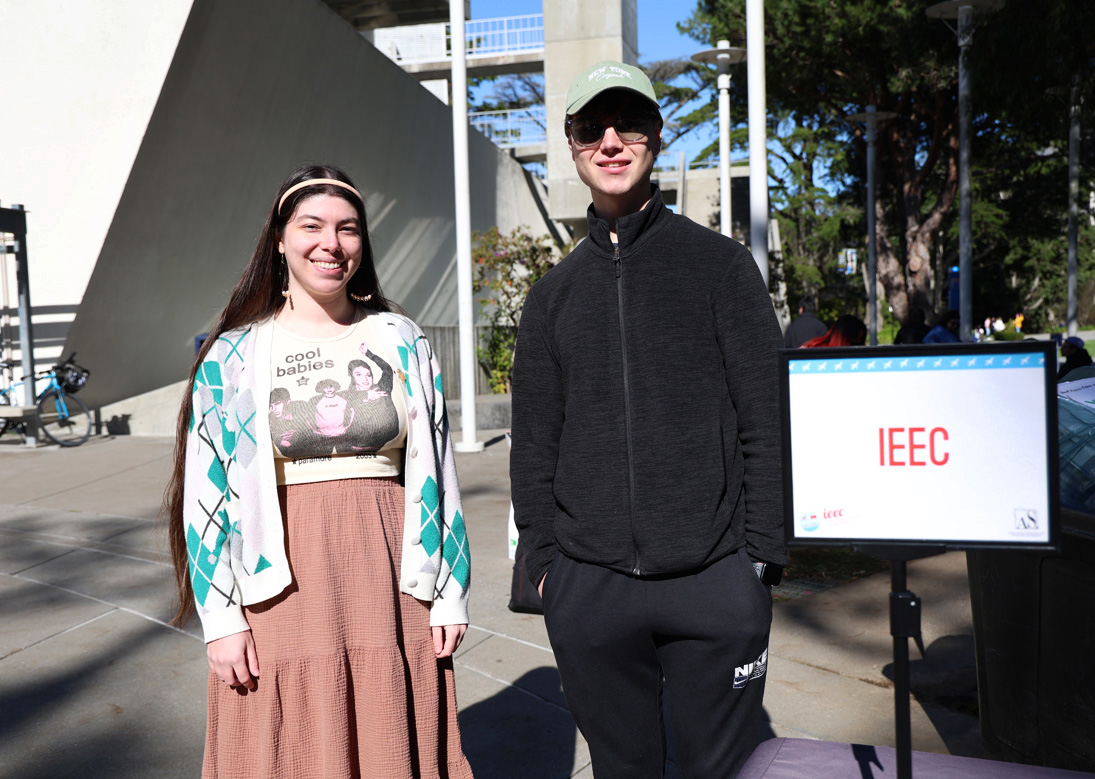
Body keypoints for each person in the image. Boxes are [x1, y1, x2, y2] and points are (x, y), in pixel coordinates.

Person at [511, 61, 786, 779]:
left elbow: (766, 422)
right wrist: (546, 571)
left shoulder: (720, 268)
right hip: (589, 588)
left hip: (712, 581)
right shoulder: (550, 299)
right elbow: (533, 447)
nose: (609, 140)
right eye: (588, 127)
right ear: (570, 145)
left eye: (626, 122)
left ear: (654, 136)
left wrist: (755, 564)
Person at [163, 165, 473, 779]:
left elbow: (437, 466)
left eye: (348, 229)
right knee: (292, 743)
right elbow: (206, 493)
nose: (331, 243)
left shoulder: (402, 338)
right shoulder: (231, 355)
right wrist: (220, 620)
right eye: (312, 226)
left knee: (389, 735)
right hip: (278, 585)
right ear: (279, 239)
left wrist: (450, 589)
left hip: (391, 575)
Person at [800, 314, 867, 348]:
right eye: (854, 341)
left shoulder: (812, 346)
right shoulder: (814, 348)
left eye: (859, 341)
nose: (857, 346)